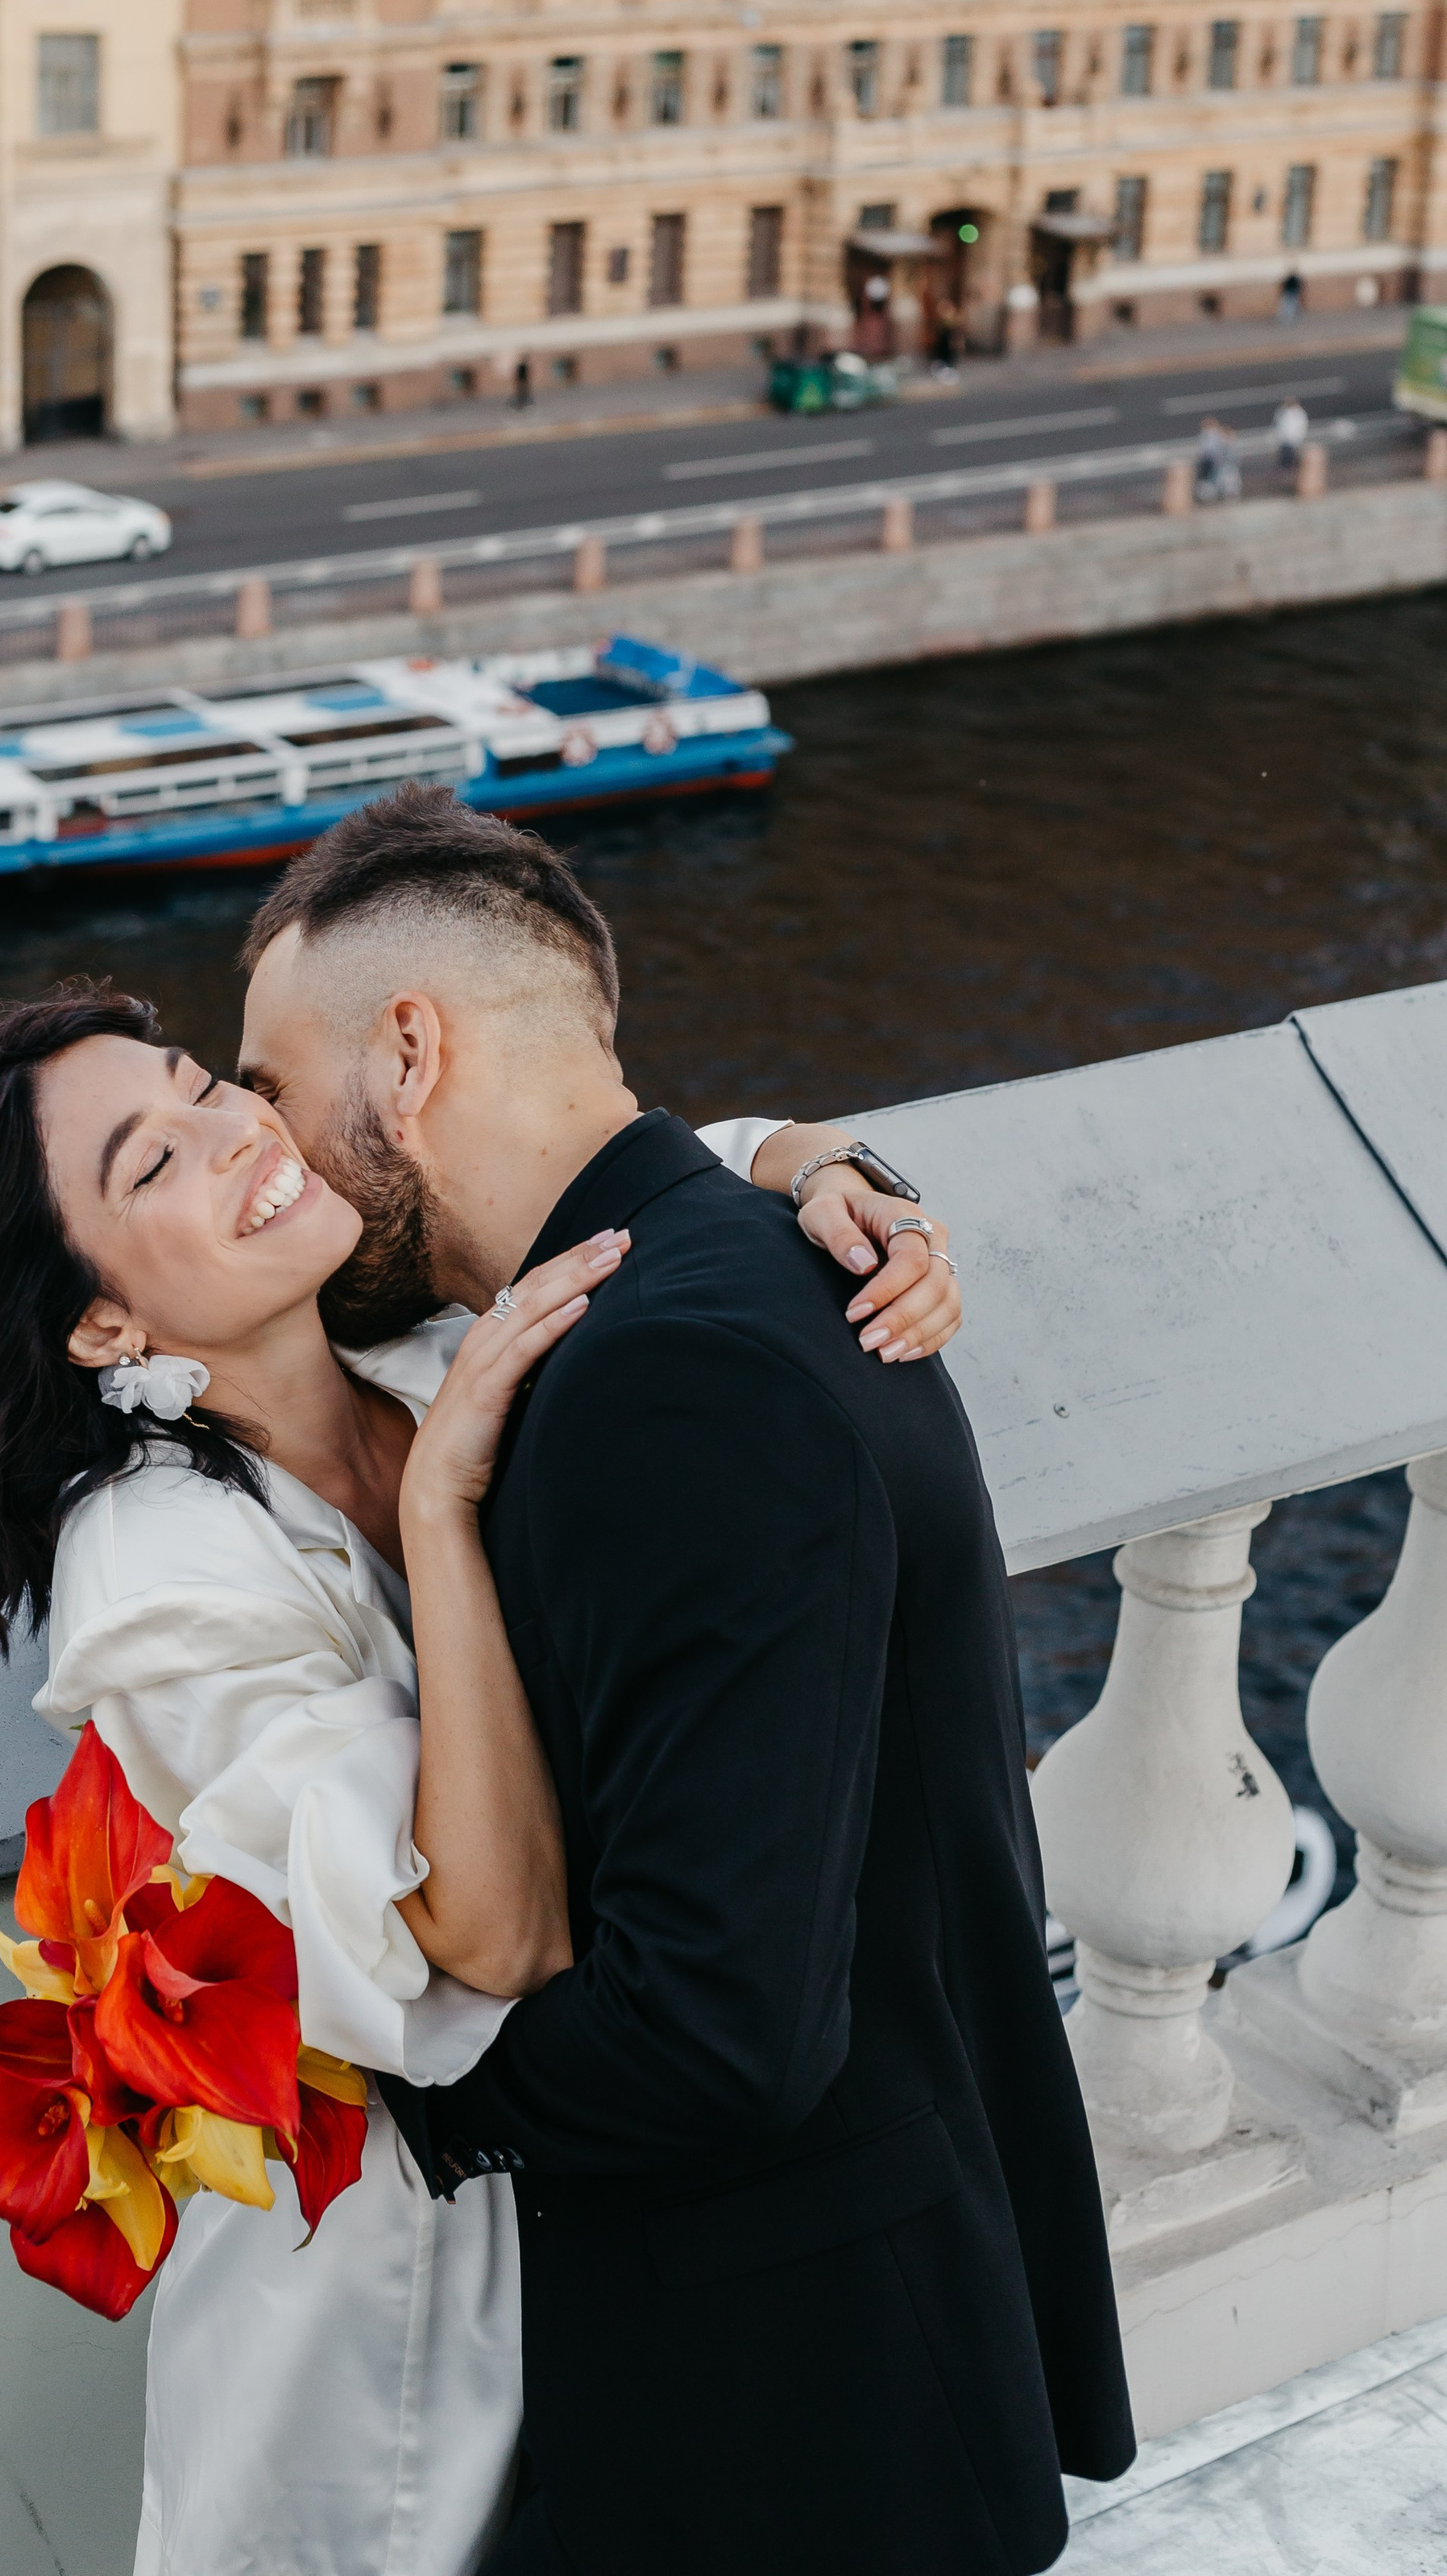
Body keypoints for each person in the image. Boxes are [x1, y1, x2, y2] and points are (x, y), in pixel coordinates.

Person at [0, 971, 960, 2575]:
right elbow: (493, 1935)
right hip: (382, 2296)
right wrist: (441, 1519)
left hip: (605, 2210)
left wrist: (825, 1169)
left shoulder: (405, 1338)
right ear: (102, 1320)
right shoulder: (160, 1577)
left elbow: (624, 1166)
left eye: (201, 1085)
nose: (233, 1130)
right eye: (153, 1164)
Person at [238, 789, 1137, 2575]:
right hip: (863, 2340)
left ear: (405, 1054)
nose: (269, 1156)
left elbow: (717, 2031)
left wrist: (389, 2090)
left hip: (790, 2419)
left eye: (270, 1088)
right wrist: (813, 1154)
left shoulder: (668, 1381)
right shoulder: (751, 1264)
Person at [1194, 416, 1240, 502]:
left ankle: (1227, 496)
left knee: (1227, 480)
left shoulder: (1215, 436)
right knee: (1213, 481)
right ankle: (1211, 497)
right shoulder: (1209, 436)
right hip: (1213, 463)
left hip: (1221, 464)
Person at [1275, 394, 1308, 487]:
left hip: (1295, 441)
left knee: (1295, 461)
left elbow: (1301, 427)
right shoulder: (1282, 412)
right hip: (1285, 441)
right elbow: (1279, 425)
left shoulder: (1299, 413)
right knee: (1285, 462)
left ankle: (1295, 479)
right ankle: (1285, 479)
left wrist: (1300, 439)